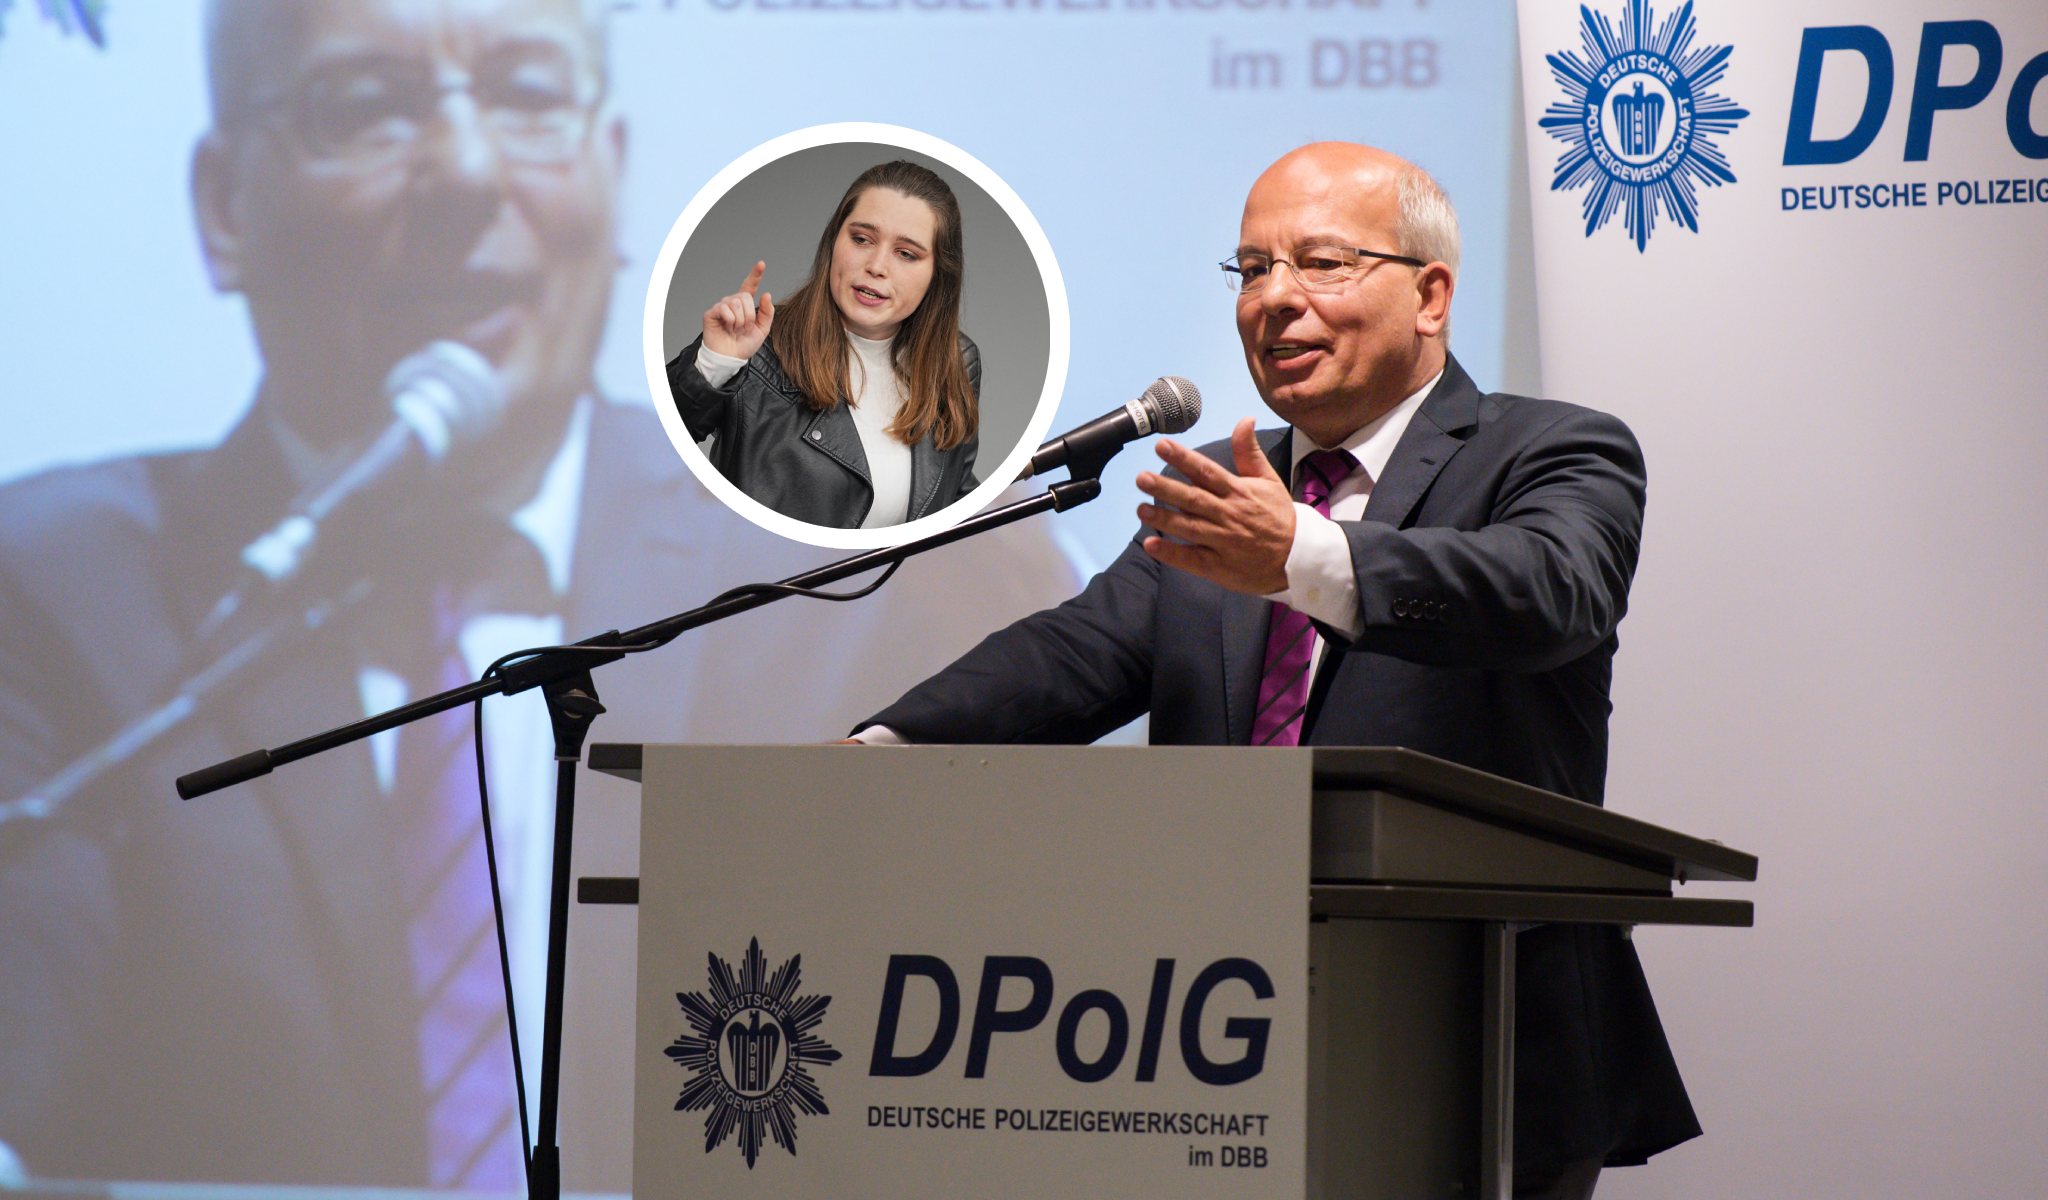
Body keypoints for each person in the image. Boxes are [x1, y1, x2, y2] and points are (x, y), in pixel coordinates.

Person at [0, 0, 1074, 1188]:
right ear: (221, 210)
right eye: (361, 106)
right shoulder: (52, 595)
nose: (465, 172)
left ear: (608, 178)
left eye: (525, 95)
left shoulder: (871, 564)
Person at [855, 142, 1698, 1198]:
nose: (1274, 300)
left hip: (1477, 1041)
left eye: (1320, 264)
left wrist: (1303, 558)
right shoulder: (1222, 490)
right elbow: (1074, 654)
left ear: (1429, 294)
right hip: (1205, 1038)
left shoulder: (1552, 449)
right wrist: (878, 752)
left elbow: (1548, 589)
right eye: (1252, 270)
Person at [666, 160, 983, 529]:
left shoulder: (957, 361)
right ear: (834, 241)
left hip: (885, 589)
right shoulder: (759, 344)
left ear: (937, 275)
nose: (877, 265)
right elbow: (640, 454)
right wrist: (714, 363)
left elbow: (955, 498)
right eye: (861, 239)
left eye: (906, 254)